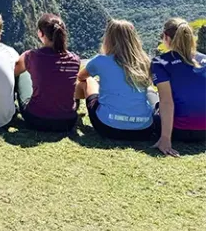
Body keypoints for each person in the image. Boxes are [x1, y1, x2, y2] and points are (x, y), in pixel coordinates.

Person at [76, 19, 157, 141]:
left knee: (88, 81)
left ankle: (72, 111)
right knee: (149, 90)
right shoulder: (145, 62)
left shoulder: (101, 60)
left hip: (108, 126)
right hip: (144, 129)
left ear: (108, 38)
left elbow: (81, 76)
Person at [14, 14, 81, 132]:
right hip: (67, 122)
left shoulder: (31, 56)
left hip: (37, 119)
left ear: (40, 34)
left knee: (22, 74)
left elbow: (14, 71)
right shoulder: (75, 59)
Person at [151, 18, 206, 156]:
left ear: (166, 37)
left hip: (179, 131)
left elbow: (167, 102)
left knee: (151, 96)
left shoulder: (160, 62)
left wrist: (165, 139)